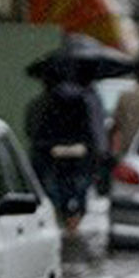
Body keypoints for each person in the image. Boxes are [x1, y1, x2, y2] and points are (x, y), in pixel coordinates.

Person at [25, 66, 106, 234]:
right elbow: (92, 132)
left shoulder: (41, 104)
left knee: (56, 194)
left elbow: (33, 132)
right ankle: (71, 226)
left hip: (53, 160)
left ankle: (62, 225)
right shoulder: (84, 102)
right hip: (76, 160)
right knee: (76, 194)